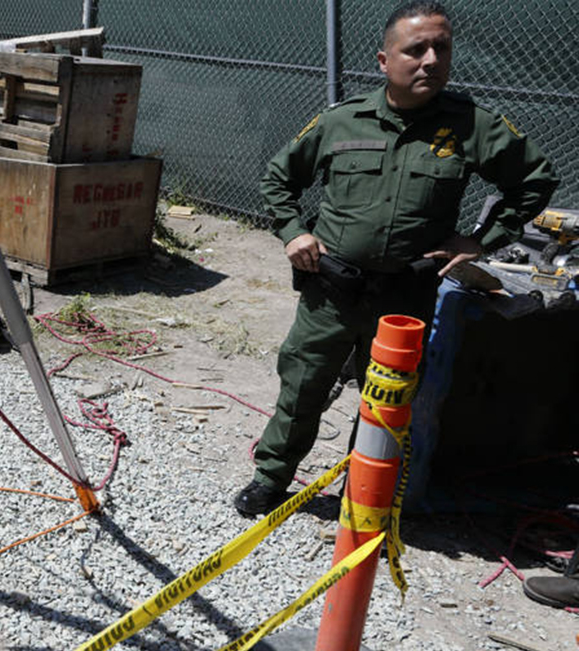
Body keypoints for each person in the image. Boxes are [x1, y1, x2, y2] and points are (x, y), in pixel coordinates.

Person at [234, 1, 559, 516]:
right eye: (416, 49)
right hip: (332, 290)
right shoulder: (342, 121)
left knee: (385, 406)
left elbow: (535, 182)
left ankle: (361, 497)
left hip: (405, 297)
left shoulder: (473, 126)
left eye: (441, 48)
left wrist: (481, 239)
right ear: (385, 60)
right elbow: (278, 177)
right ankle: (272, 478)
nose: (430, 60)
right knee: (302, 386)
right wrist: (294, 232)